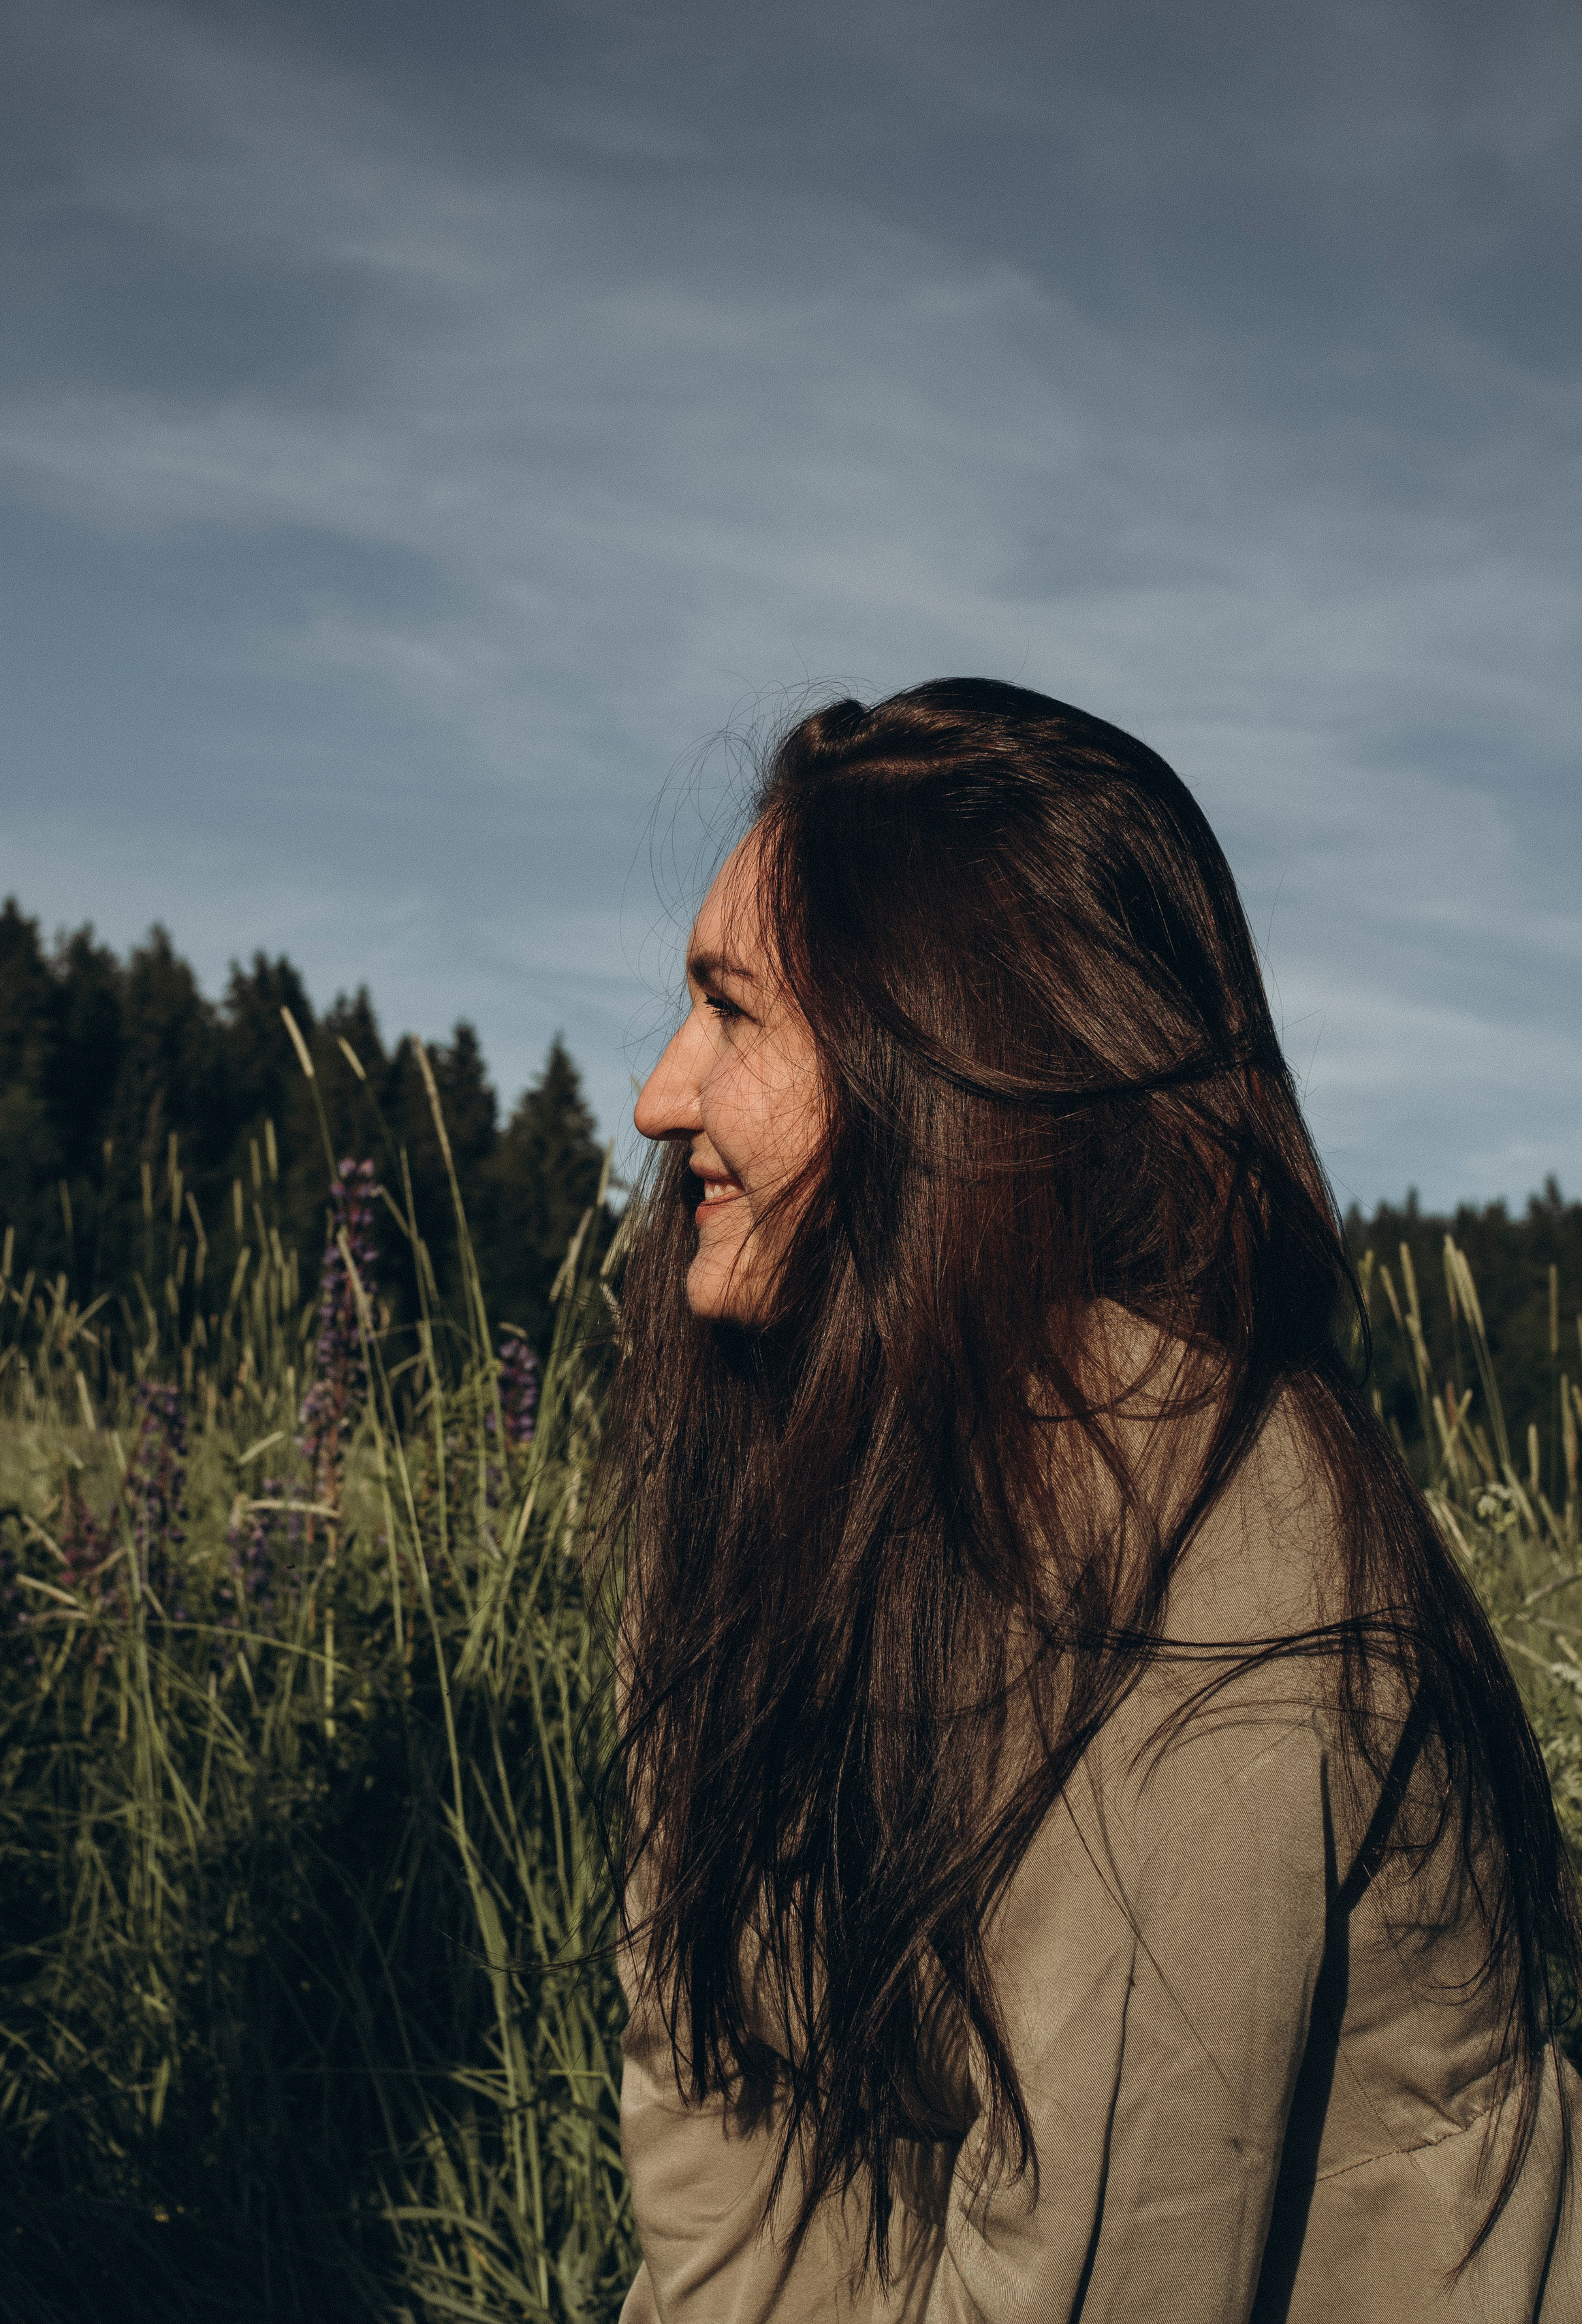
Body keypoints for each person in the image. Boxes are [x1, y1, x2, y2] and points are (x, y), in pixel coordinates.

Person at [593, 680, 1581, 2323]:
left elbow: (1101, 2260)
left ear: (946, 1067)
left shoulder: (1212, 1554)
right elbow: (720, 2107)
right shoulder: (767, 1468)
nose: (657, 1096)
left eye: (734, 1013)